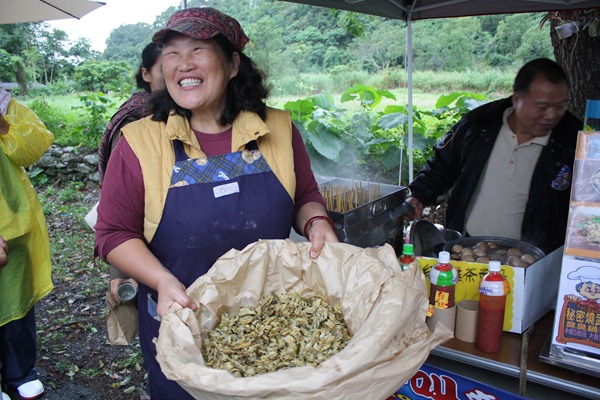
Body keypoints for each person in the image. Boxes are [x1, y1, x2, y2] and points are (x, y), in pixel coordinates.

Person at [94, 7, 338, 399]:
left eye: (197, 49)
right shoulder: (139, 141)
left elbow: (305, 196)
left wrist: (316, 223)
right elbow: (113, 233)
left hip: (266, 317)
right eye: (171, 53)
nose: (182, 64)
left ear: (233, 63)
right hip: (181, 317)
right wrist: (161, 281)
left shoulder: (276, 127)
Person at [406, 58, 582, 254]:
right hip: (468, 251)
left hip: (532, 260)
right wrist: (419, 195)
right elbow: (442, 165)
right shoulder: (479, 125)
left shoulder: (572, 140)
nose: (551, 115)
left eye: (559, 106)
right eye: (541, 107)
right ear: (517, 99)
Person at [96, 42, 165, 304]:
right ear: (146, 74)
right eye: (163, 69)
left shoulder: (179, 113)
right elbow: (119, 198)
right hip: (140, 234)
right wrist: (121, 271)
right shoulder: (135, 120)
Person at [0, 89, 54, 400]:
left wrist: (3, 124)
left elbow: (32, 150)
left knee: (16, 302)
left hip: (13, 226)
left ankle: (20, 373)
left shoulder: (7, 105)